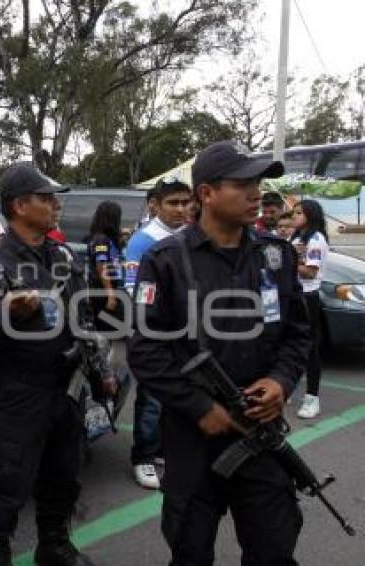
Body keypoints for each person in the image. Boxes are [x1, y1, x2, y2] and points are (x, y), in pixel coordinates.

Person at [128, 140, 311, 565]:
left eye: (259, 183)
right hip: (194, 439)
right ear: (207, 193)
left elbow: (298, 335)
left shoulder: (276, 255)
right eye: (242, 183)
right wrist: (198, 406)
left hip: (260, 434)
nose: (256, 193)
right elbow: (146, 352)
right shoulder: (166, 260)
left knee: (274, 550)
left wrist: (280, 382)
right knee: (190, 550)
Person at [0, 161, 112, 566]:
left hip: (66, 387)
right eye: (45, 198)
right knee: (5, 480)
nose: (54, 206)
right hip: (19, 390)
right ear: (18, 206)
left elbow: (83, 317)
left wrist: (101, 370)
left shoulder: (62, 254)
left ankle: (54, 545)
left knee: (63, 474)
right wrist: (9, 312)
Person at [122, 176, 192, 490]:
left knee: (177, 396)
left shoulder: (191, 235)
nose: (181, 209)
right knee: (151, 399)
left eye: (185, 202)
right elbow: (133, 290)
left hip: (188, 332)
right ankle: (143, 457)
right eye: (173, 203)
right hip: (155, 332)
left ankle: (162, 448)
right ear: (155, 205)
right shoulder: (142, 240)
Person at [290, 200, 330, 419]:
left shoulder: (316, 239)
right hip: (293, 295)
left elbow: (310, 273)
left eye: (299, 213)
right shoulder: (297, 237)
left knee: (309, 348)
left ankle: (312, 398)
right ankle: (289, 387)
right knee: (288, 344)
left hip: (307, 297)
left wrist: (290, 260)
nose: (294, 216)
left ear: (310, 215)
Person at [86, 201, 124, 326]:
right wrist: (110, 295)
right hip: (101, 290)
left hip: (108, 287)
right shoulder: (101, 240)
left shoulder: (107, 238)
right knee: (108, 325)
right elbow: (101, 266)